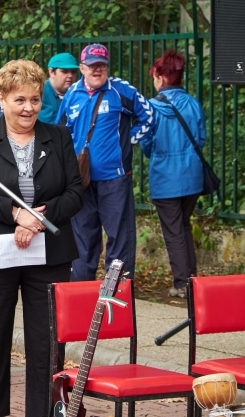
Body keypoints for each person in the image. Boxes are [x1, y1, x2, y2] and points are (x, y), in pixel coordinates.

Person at [0, 59, 83, 416]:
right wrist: (16, 215)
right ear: (2, 99)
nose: (28, 108)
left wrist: (39, 221)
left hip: (50, 253)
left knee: (47, 346)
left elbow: (75, 192)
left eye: (34, 100)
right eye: (19, 100)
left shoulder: (58, 136)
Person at [57, 43, 153, 281]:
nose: (97, 70)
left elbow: (149, 116)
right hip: (81, 181)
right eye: (92, 66)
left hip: (115, 179)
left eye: (102, 65)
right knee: (83, 240)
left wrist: (128, 141)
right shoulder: (72, 95)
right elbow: (61, 131)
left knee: (119, 238)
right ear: (82, 68)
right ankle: (81, 294)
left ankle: (117, 292)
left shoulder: (122, 90)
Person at [140, 50, 205, 299]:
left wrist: (157, 153)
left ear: (159, 76)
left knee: (174, 232)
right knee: (184, 227)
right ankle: (192, 280)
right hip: (193, 177)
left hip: (165, 178)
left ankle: (182, 284)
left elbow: (146, 142)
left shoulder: (151, 107)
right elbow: (200, 138)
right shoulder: (193, 103)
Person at [39, 52, 79, 124]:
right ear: (51, 72)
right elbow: (52, 125)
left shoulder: (79, 93)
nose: (70, 75)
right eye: (64, 71)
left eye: (73, 72)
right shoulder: (39, 93)